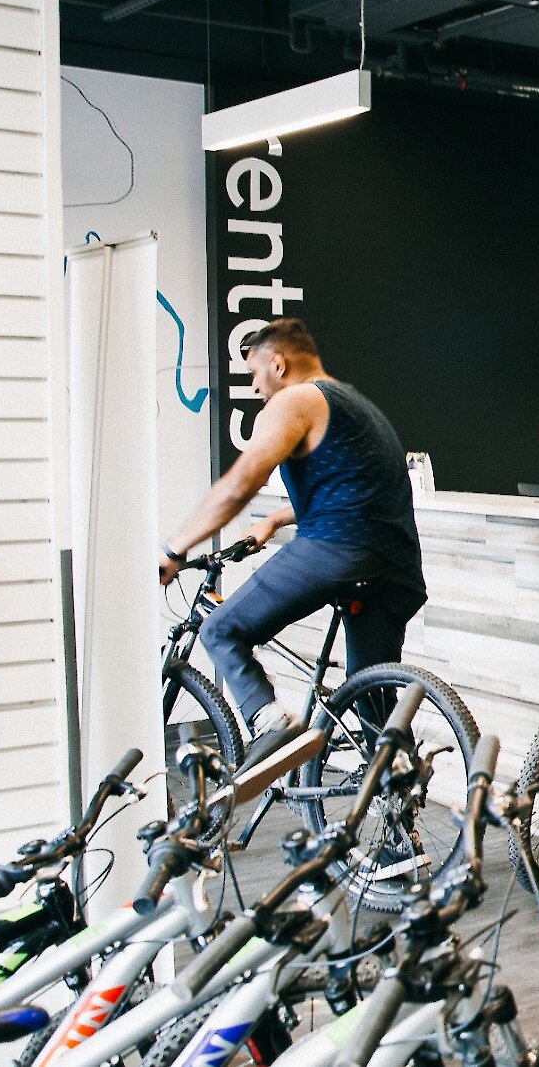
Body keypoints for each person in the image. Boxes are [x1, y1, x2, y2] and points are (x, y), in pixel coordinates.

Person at [157, 318, 426, 765]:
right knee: (371, 698)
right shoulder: (355, 403)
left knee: (220, 629)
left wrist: (175, 548)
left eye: (254, 375)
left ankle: (269, 720)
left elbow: (239, 485)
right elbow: (354, 492)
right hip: (394, 566)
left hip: (337, 549)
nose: (255, 387)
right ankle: (400, 782)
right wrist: (276, 520)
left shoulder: (295, 400)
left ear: (277, 364)